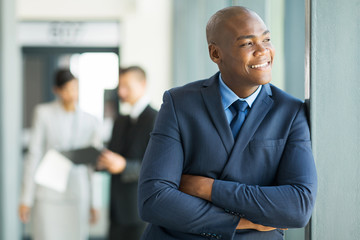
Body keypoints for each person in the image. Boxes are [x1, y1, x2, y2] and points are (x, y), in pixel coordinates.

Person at [138, 6, 317, 240]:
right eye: (247, 44)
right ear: (215, 54)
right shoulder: (179, 103)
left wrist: (208, 189)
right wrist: (239, 222)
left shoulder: (291, 112)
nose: (263, 51)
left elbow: (298, 207)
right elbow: (154, 199)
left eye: (267, 39)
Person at [19, 69, 101, 240]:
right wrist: (26, 198)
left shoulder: (90, 120)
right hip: (48, 193)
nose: (72, 94)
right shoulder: (43, 113)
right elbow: (33, 155)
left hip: (78, 192)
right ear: (56, 90)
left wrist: (95, 202)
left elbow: (93, 164)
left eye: (75, 88)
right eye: (66, 89)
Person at [97, 66, 158, 240]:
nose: (121, 92)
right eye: (120, 87)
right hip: (116, 211)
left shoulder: (158, 119)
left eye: (127, 86)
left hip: (140, 212)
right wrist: (100, 160)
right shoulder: (120, 120)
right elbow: (112, 154)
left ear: (143, 84)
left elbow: (157, 168)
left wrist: (124, 166)